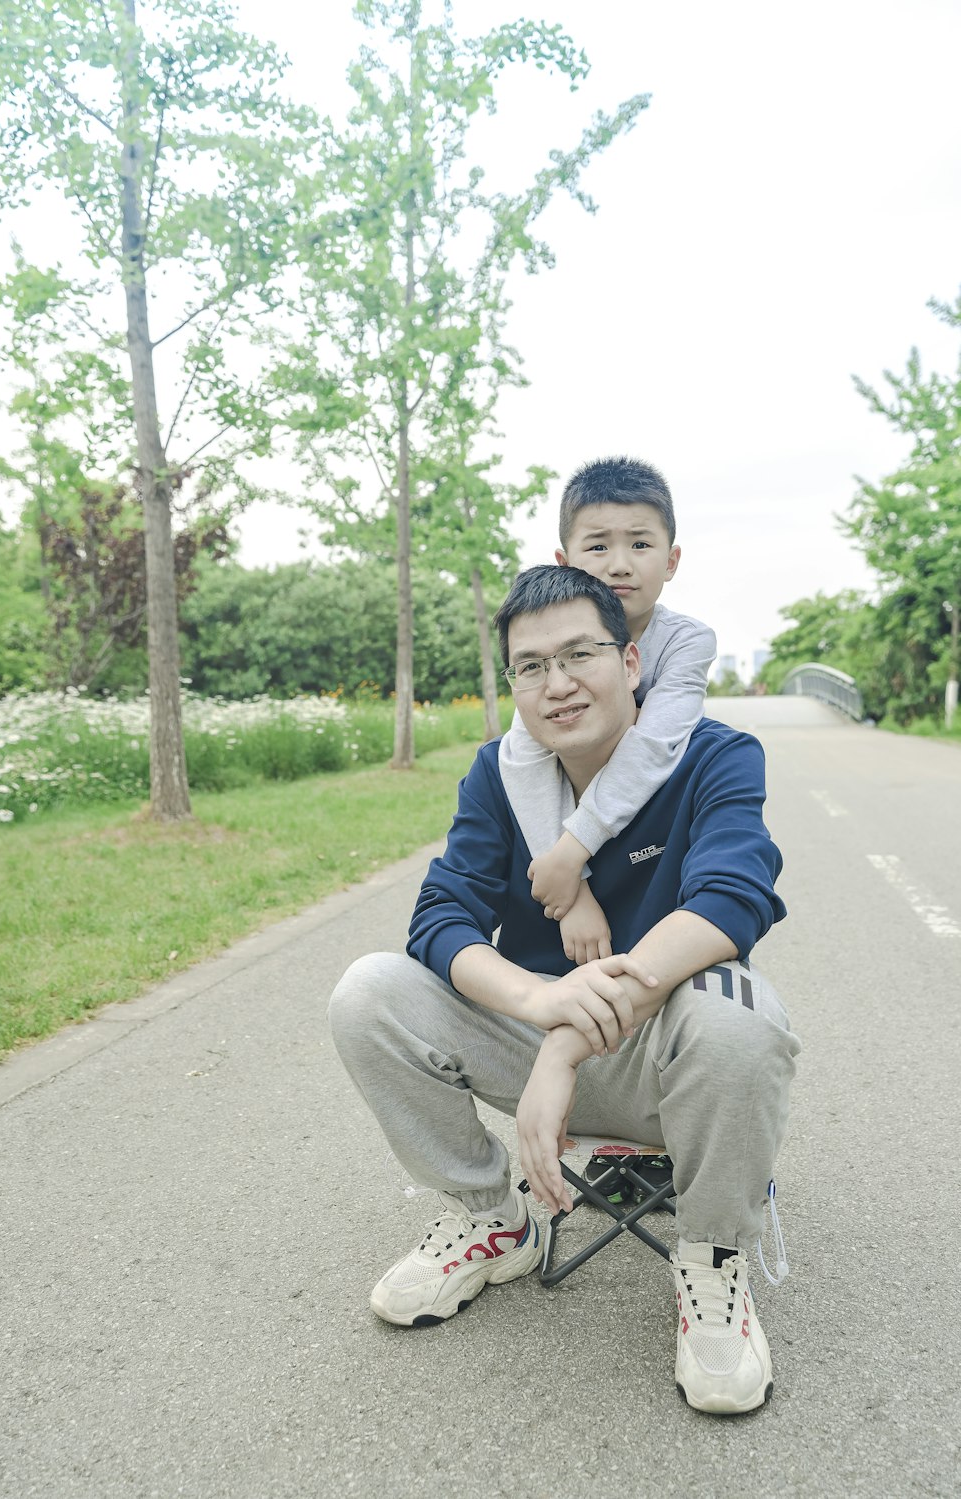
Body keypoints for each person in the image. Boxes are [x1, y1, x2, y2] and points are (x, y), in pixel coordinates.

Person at [328, 565, 800, 1415]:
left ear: (629, 661)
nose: (557, 683)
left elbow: (735, 897)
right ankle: (489, 1218)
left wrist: (566, 1043)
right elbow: (440, 916)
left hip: (669, 1058)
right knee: (370, 991)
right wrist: (542, 1004)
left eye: (579, 654)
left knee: (742, 1014)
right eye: (531, 666)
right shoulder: (500, 776)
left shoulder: (715, 755)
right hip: (542, 1030)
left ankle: (715, 1259)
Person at [498, 456, 716, 967]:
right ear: (563, 559)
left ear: (671, 560)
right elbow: (524, 757)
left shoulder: (685, 642)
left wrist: (572, 855)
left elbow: (654, 744)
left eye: (640, 544)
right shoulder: (548, 650)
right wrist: (573, 892)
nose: (619, 564)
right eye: (597, 546)